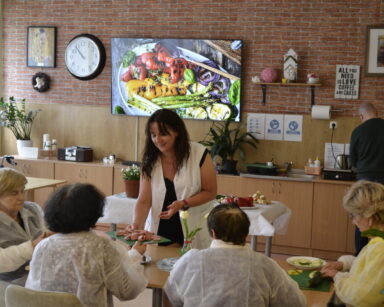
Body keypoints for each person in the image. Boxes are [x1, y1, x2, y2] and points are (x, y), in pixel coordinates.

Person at [26, 183, 148, 307]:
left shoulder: (43, 246)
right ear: (95, 212)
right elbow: (127, 291)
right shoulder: (101, 248)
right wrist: (135, 254)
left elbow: (33, 290)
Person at [164, 204, 306, 307]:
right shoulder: (265, 265)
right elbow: (296, 302)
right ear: (246, 234)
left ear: (212, 233)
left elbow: (172, 295)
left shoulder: (191, 260)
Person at [125, 109, 217, 248]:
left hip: (193, 229)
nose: (157, 140)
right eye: (153, 135)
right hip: (159, 232)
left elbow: (210, 192)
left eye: (163, 134)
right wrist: (136, 226)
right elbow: (144, 201)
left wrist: (183, 203)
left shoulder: (199, 153)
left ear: (177, 132)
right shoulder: (150, 159)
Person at [321, 180, 384, 307]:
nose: (353, 222)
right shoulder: (378, 239)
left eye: (354, 216)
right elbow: (366, 265)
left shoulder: (380, 248)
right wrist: (343, 264)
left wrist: (337, 277)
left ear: (369, 217)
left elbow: (359, 296)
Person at [0, 168, 46, 285]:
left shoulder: (32, 209)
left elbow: (46, 232)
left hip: (37, 274)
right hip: (7, 282)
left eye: (22, 191)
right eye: (14, 193)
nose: (21, 197)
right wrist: (32, 246)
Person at [349, 102, 384, 254]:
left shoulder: (358, 131)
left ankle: (360, 255)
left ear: (361, 116)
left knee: (361, 218)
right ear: (377, 113)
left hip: (364, 182)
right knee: (381, 219)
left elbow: (352, 161)